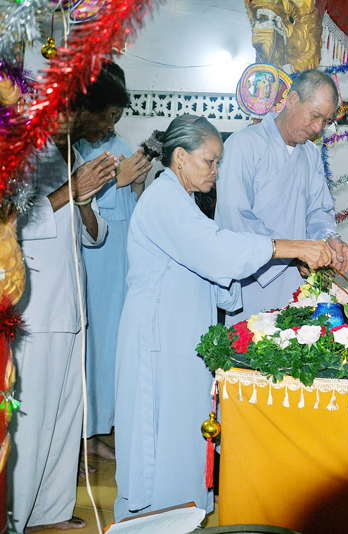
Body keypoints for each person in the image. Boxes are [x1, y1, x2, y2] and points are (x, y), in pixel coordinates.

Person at [113, 115, 333, 521]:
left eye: (218, 162)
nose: (216, 170)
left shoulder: (183, 201)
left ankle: (179, 517)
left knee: (184, 430)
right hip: (158, 337)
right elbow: (215, 250)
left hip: (182, 334)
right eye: (210, 161)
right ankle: (149, 521)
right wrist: (292, 247)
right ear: (180, 157)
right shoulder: (163, 199)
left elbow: (214, 263)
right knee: (158, 436)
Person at [10, 79, 119, 533]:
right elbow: (11, 223)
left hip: (72, 308)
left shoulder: (70, 154)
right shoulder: (21, 153)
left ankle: (49, 512)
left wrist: (86, 202)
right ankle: (17, 516)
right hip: (35, 308)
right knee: (32, 420)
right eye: (102, 117)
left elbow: (94, 234)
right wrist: (69, 191)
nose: (105, 128)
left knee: (65, 416)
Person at [215, 69, 348, 324]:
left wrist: (330, 239)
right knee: (248, 343)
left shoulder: (310, 154)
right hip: (251, 280)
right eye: (314, 115)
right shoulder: (244, 144)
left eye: (325, 121)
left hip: (296, 280)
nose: (318, 128)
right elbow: (236, 219)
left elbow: (318, 211)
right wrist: (296, 252)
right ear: (292, 100)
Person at [73, 62, 152, 463]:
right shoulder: (78, 147)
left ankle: (98, 429)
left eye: (117, 115)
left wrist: (136, 183)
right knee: (91, 348)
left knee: (111, 348)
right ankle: (81, 435)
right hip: (92, 259)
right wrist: (116, 182)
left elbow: (132, 210)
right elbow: (77, 206)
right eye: (108, 113)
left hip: (118, 258)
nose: (111, 123)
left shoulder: (118, 143)